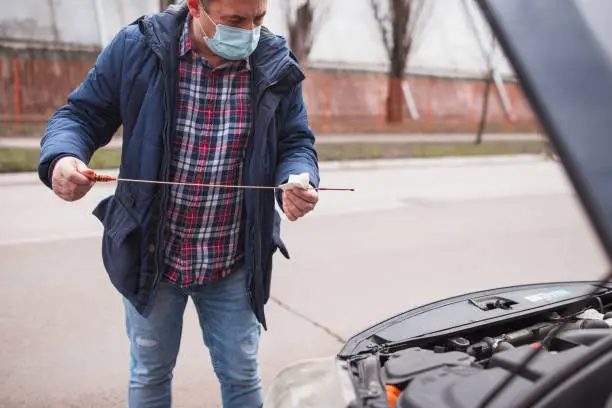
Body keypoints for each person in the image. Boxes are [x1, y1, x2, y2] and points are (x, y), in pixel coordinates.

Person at [37, 0, 320, 406]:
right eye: (235, 21)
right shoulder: (139, 48)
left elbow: (295, 141)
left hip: (234, 261)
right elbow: (80, 115)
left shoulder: (274, 61)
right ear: (194, 7)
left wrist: (298, 178)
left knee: (242, 375)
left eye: (258, 19)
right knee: (150, 375)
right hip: (153, 259)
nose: (250, 33)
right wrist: (63, 158)